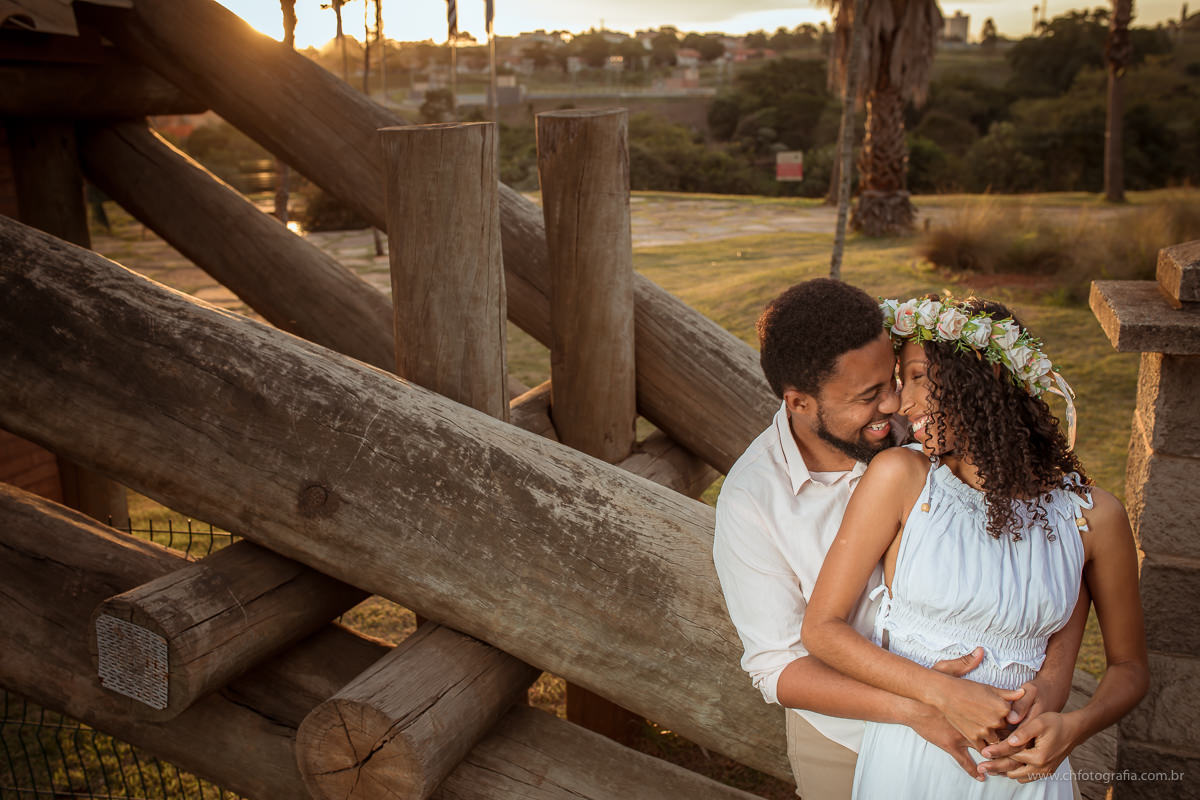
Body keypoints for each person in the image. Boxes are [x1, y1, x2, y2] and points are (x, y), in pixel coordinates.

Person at [714, 280, 1086, 799]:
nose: (893, 403)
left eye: (892, 378)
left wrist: (1046, 686)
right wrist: (922, 705)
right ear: (800, 402)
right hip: (846, 738)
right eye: (869, 396)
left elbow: (1045, 547)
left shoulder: (930, 426)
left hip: (991, 727)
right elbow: (778, 667)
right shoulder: (754, 499)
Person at [802, 296, 1149, 798]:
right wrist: (941, 693)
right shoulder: (903, 479)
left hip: (1023, 773)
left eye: (919, 377)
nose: (903, 403)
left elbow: (1130, 668)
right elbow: (822, 629)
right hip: (913, 759)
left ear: (979, 378)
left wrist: (1075, 727)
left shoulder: (1093, 517)